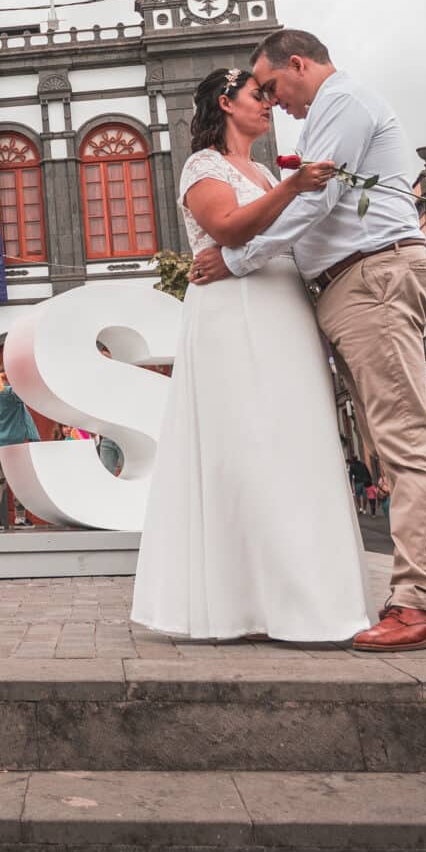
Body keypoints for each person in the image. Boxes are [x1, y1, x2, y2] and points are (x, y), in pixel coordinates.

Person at [191, 29, 426, 652]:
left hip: (371, 276)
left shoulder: (342, 104)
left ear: (299, 64)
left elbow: (316, 201)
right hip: (349, 285)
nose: (276, 102)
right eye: (261, 94)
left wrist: (240, 260)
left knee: (403, 438)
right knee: (390, 439)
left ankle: (421, 601)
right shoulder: (320, 120)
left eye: (275, 87)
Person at [130, 65, 367, 644]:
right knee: (249, 442)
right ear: (224, 102)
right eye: (258, 96)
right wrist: (292, 188)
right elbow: (228, 229)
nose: (269, 104)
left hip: (283, 302)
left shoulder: (261, 169)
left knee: (297, 441)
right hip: (233, 310)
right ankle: (247, 600)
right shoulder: (202, 167)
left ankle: (311, 594)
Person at [0, 371, 40, 530]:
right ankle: (20, 518)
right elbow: (24, 394)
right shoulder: (7, 393)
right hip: (16, 445)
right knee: (19, 482)